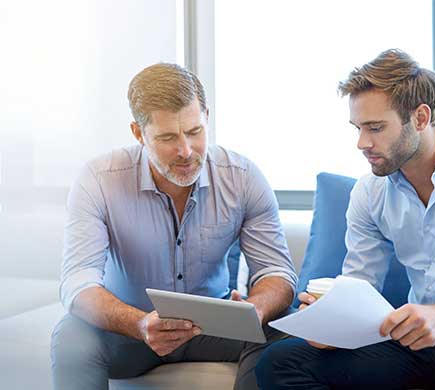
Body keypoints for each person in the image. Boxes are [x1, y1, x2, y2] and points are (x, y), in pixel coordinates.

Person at [50, 63, 297, 390]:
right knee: (71, 336)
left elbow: (277, 271)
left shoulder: (243, 177)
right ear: (138, 133)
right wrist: (139, 324)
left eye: (194, 132)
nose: (185, 151)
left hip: (215, 329)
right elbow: (78, 282)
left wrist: (255, 308)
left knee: (285, 329)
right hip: (130, 330)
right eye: (167, 137)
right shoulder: (98, 180)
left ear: (206, 116)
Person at [256, 49, 435, 389]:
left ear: (421, 118)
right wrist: (331, 322)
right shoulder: (371, 192)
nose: (362, 143)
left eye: (375, 128)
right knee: (279, 363)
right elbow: (360, 287)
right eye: (358, 128)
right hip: (415, 343)